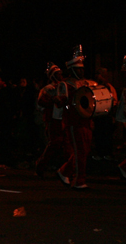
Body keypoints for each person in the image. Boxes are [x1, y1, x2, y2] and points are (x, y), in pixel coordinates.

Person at [57, 46, 93, 189]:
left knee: (85, 151)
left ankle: (64, 171)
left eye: (82, 69)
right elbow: (62, 103)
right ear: (72, 69)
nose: (81, 71)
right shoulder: (65, 84)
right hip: (73, 122)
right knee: (80, 151)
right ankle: (79, 180)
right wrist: (61, 102)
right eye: (78, 69)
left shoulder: (88, 83)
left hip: (86, 121)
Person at [35, 63, 66, 178]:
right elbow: (40, 102)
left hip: (63, 118)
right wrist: (54, 100)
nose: (61, 76)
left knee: (65, 144)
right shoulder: (49, 89)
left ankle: (64, 168)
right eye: (58, 74)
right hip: (53, 119)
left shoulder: (64, 87)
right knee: (54, 143)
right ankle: (41, 165)